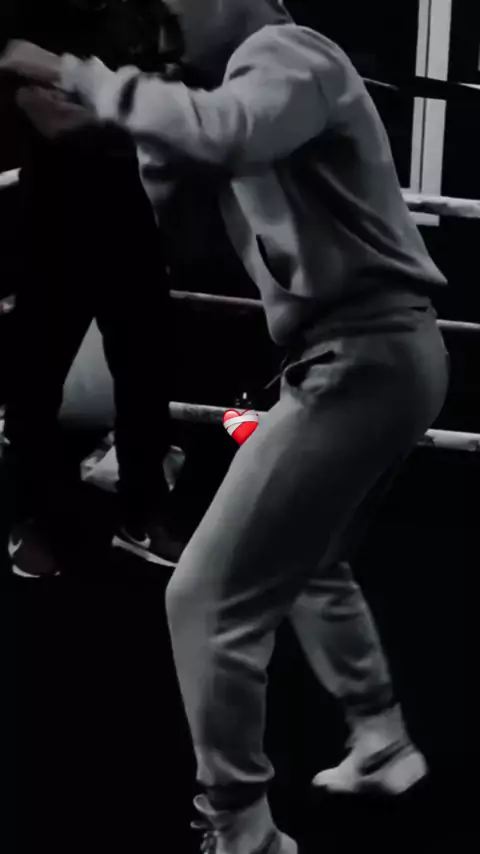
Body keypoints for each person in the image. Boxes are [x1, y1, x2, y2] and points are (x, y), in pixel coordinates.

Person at [0, 1, 452, 851]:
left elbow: (224, 130)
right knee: (315, 558)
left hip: (361, 360)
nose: (163, 20)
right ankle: (382, 741)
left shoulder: (290, 52)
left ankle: (240, 827)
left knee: (204, 597)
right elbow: (176, 171)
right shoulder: (241, 90)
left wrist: (71, 72)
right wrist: (83, 117)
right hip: (377, 357)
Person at [0, 3, 192, 578]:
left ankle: (140, 515)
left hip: (127, 218)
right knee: (36, 382)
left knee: (147, 373)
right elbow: (52, 119)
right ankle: (23, 519)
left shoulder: (131, 14)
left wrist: (123, 103)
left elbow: (174, 96)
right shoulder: (24, 22)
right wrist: (139, 109)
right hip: (53, 225)